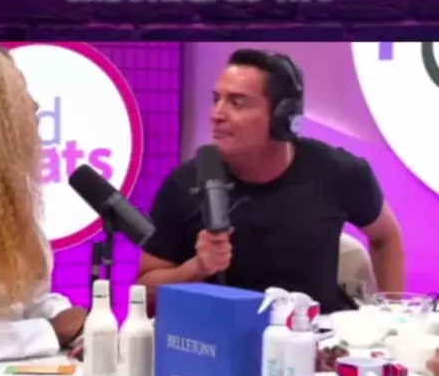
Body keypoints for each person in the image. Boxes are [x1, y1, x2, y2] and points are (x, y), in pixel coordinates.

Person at [137, 48, 406, 315]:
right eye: (216, 99)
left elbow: (386, 235)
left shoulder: (338, 171)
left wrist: (392, 316)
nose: (217, 114)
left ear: (283, 117)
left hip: (314, 336)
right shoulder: (185, 184)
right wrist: (197, 268)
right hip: (217, 336)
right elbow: (145, 292)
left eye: (237, 103)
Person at [0, 44, 86, 364]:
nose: (35, 105)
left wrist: (78, 325)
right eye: (22, 95)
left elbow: (26, 303)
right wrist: (51, 331)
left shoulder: (7, 197)